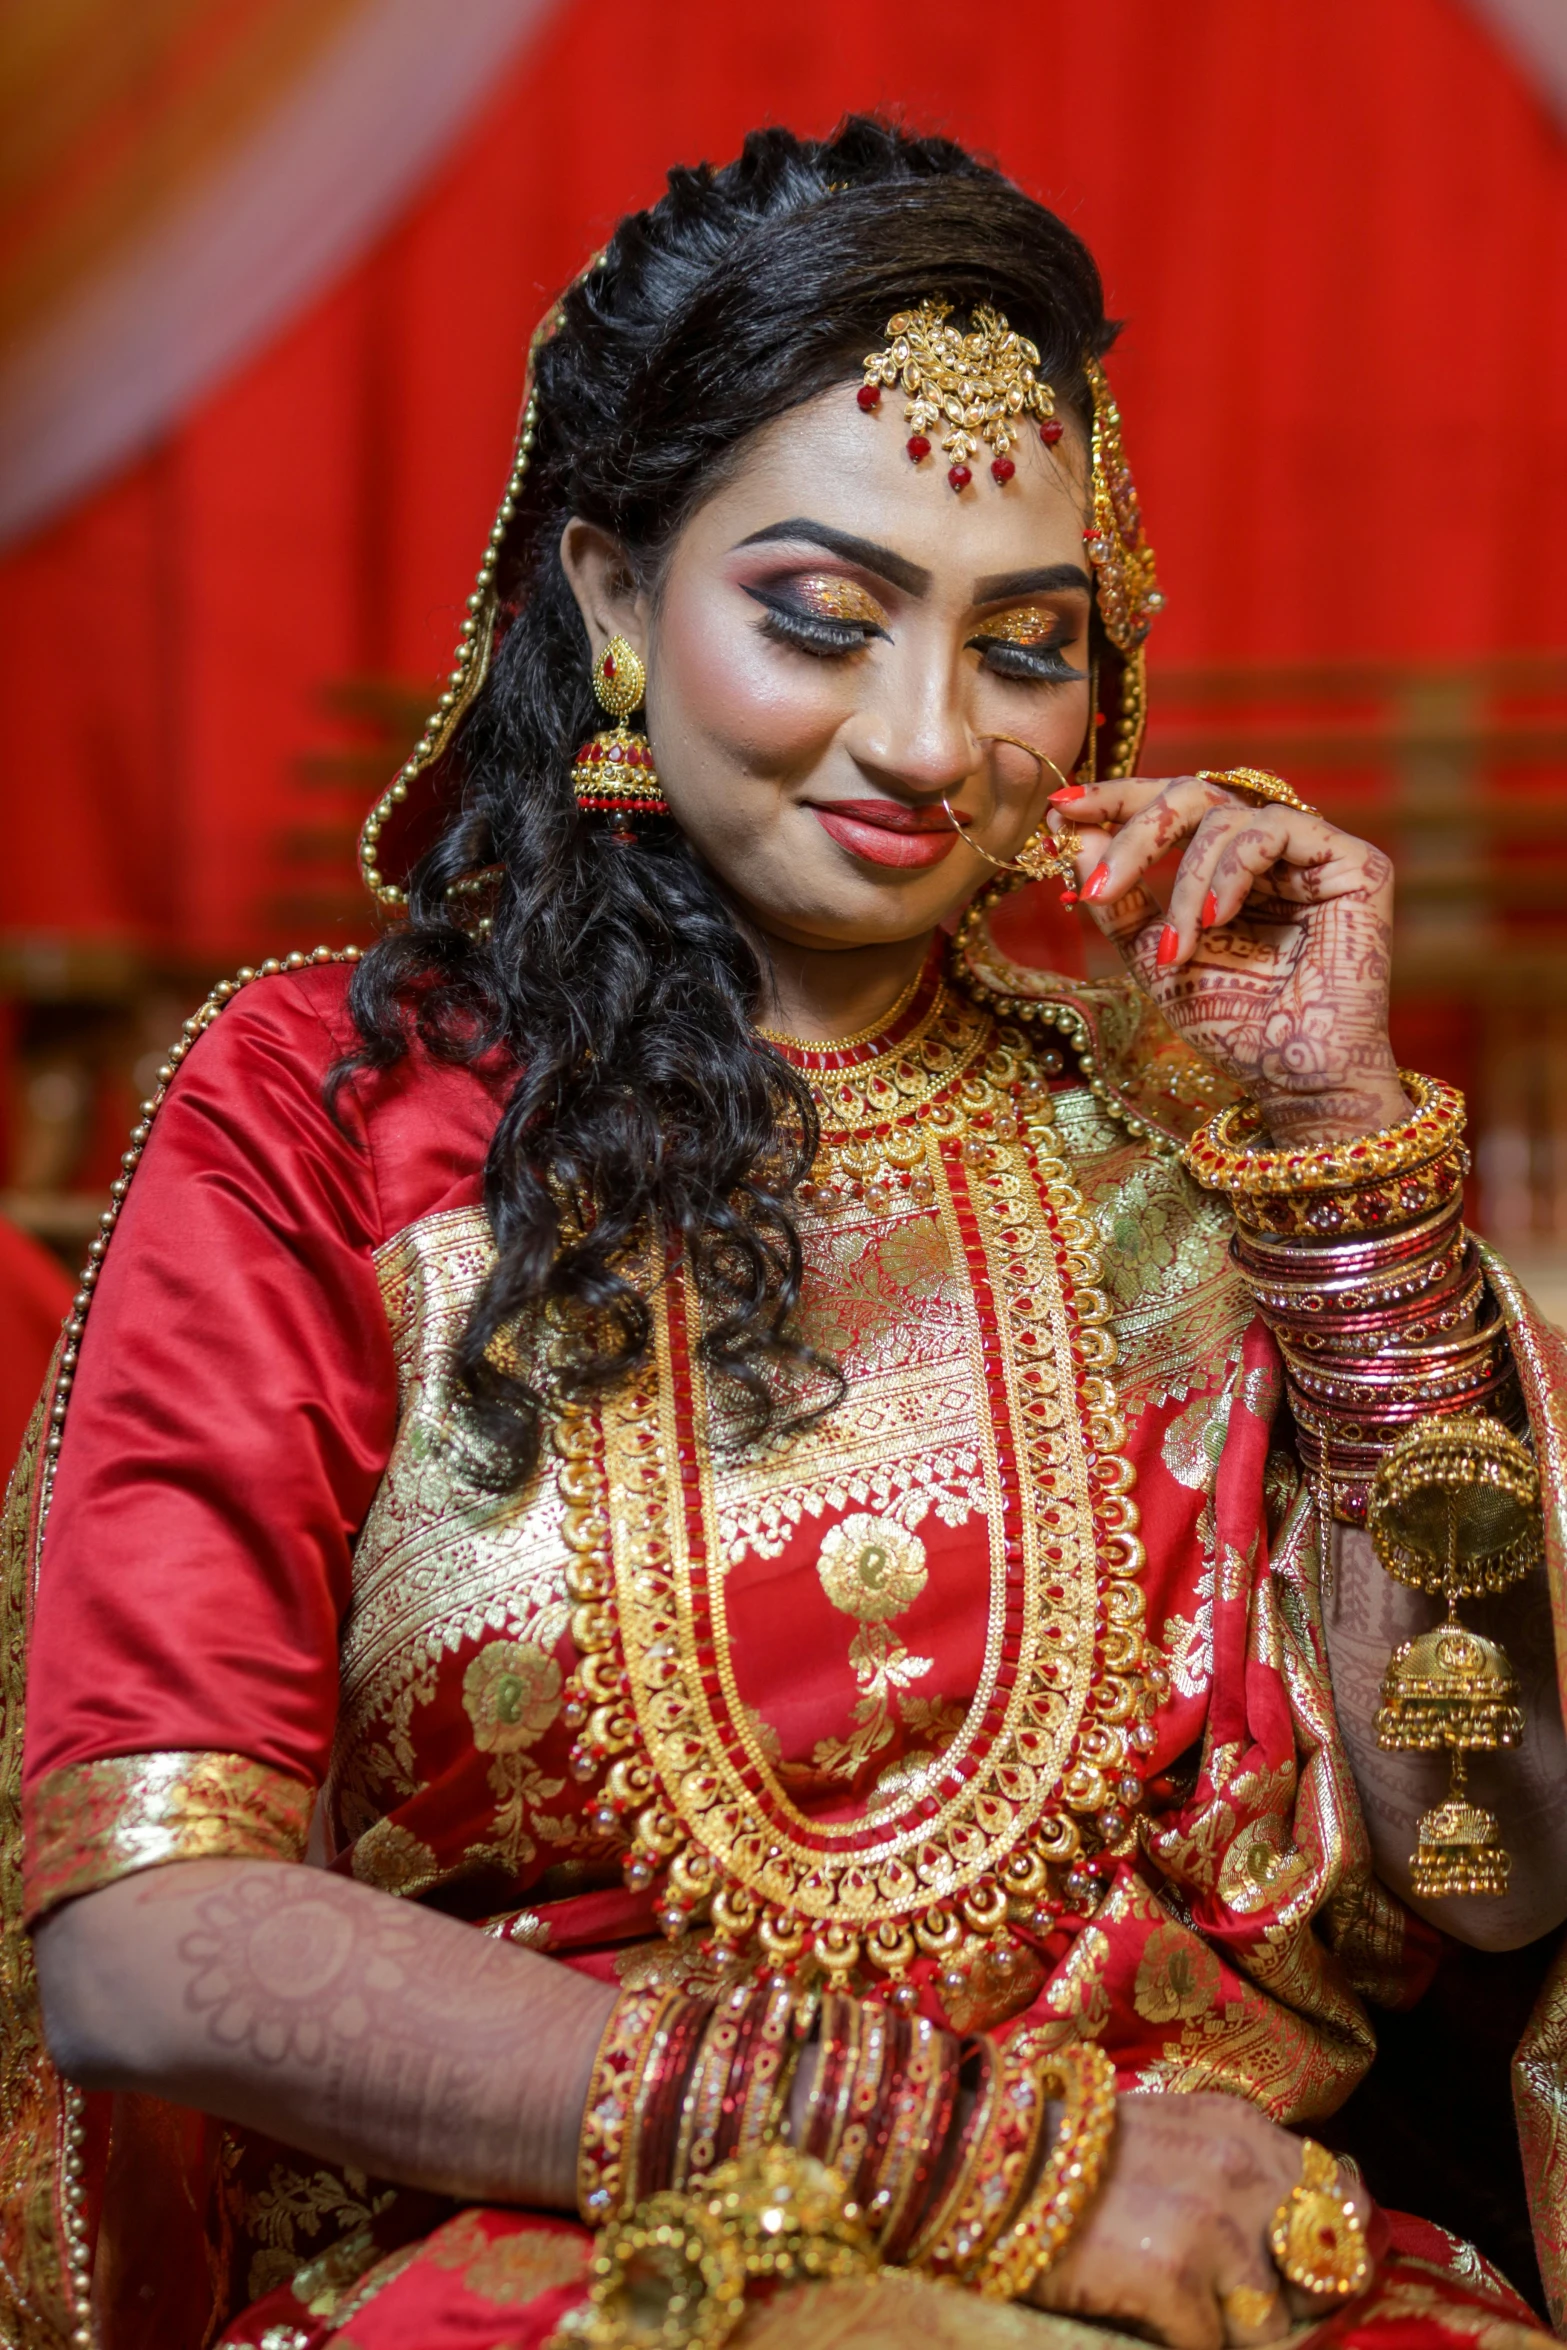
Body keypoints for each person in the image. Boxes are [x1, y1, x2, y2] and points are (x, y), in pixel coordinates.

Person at [6, 119, 1565, 2350]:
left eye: (1024, 648)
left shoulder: (1177, 1141)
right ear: (615, 598)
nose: (930, 739)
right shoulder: (326, 1114)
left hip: (1223, 2260)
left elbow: (1491, 1855)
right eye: (822, 617)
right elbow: (148, 1932)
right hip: (555, 2260)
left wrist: (1348, 1189)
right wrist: (978, 2163)